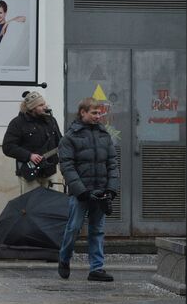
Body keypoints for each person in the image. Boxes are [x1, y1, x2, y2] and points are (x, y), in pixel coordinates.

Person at [57, 97, 119, 282]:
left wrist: (111, 189)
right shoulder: (70, 137)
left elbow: (112, 164)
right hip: (81, 193)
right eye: (94, 112)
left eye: (99, 113)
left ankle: (96, 269)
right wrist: (81, 191)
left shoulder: (104, 135)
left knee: (97, 230)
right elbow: (67, 166)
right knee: (73, 228)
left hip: (100, 191)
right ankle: (64, 259)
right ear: (83, 112)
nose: (98, 116)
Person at [2, 91, 62, 194]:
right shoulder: (17, 123)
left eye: (44, 103)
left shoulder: (51, 120)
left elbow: (60, 142)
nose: (45, 106)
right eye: (41, 105)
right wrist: (29, 156)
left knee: (52, 206)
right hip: (29, 174)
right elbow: (8, 147)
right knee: (31, 206)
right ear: (32, 108)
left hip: (50, 172)